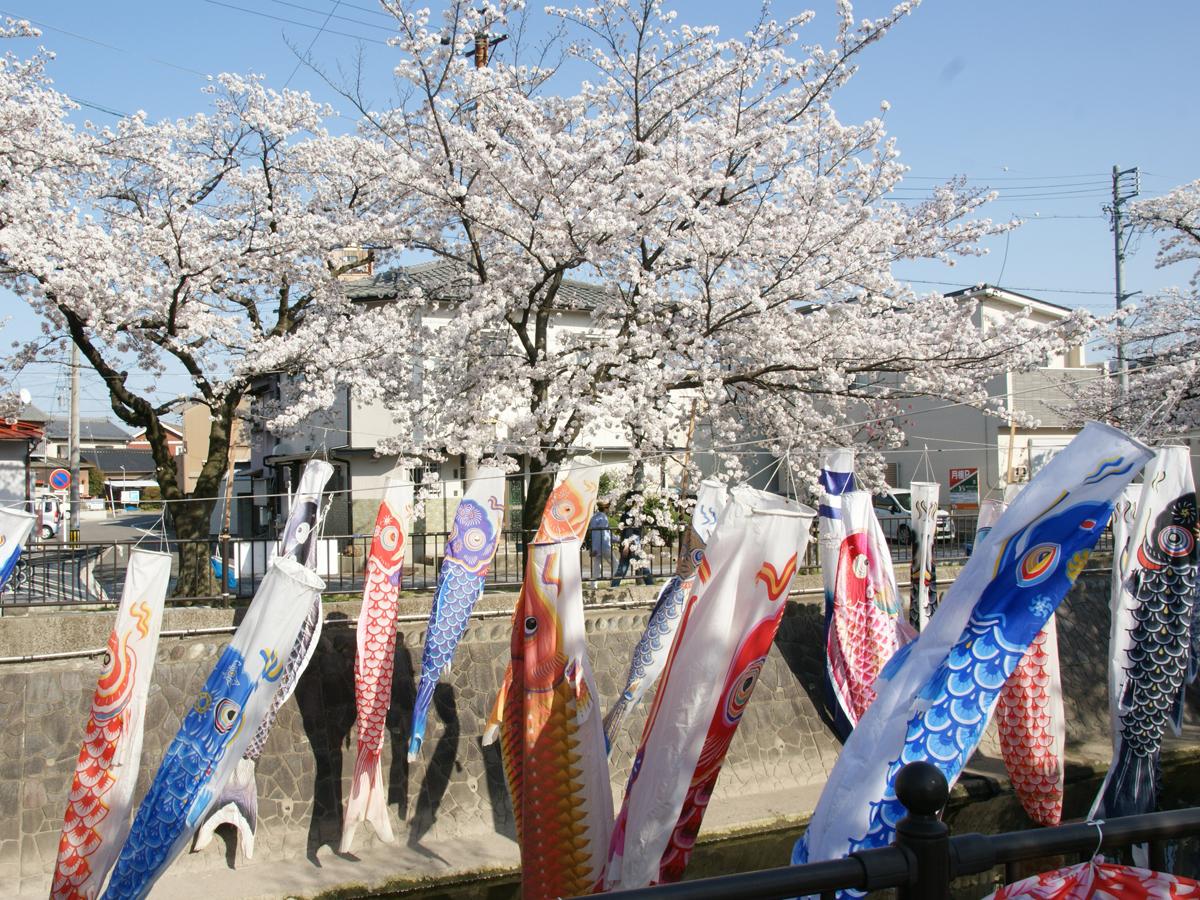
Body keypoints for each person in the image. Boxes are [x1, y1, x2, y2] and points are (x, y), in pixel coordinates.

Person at [611, 511, 653, 587]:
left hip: (631, 543)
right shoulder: (631, 514)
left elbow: (626, 530)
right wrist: (626, 545)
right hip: (633, 544)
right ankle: (650, 584)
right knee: (642, 566)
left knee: (623, 568)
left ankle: (614, 586)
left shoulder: (629, 514)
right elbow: (628, 530)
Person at [587, 501, 612, 583]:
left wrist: (593, 548)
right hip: (604, 545)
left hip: (595, 545)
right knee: (615, 564)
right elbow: (604, 534)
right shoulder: (604, 518)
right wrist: (617, 539)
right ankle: (616, 583)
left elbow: (593, 533)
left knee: (597, 566)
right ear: (605, 508)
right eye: (608, 507)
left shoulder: (594, 517)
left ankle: (593, 585)